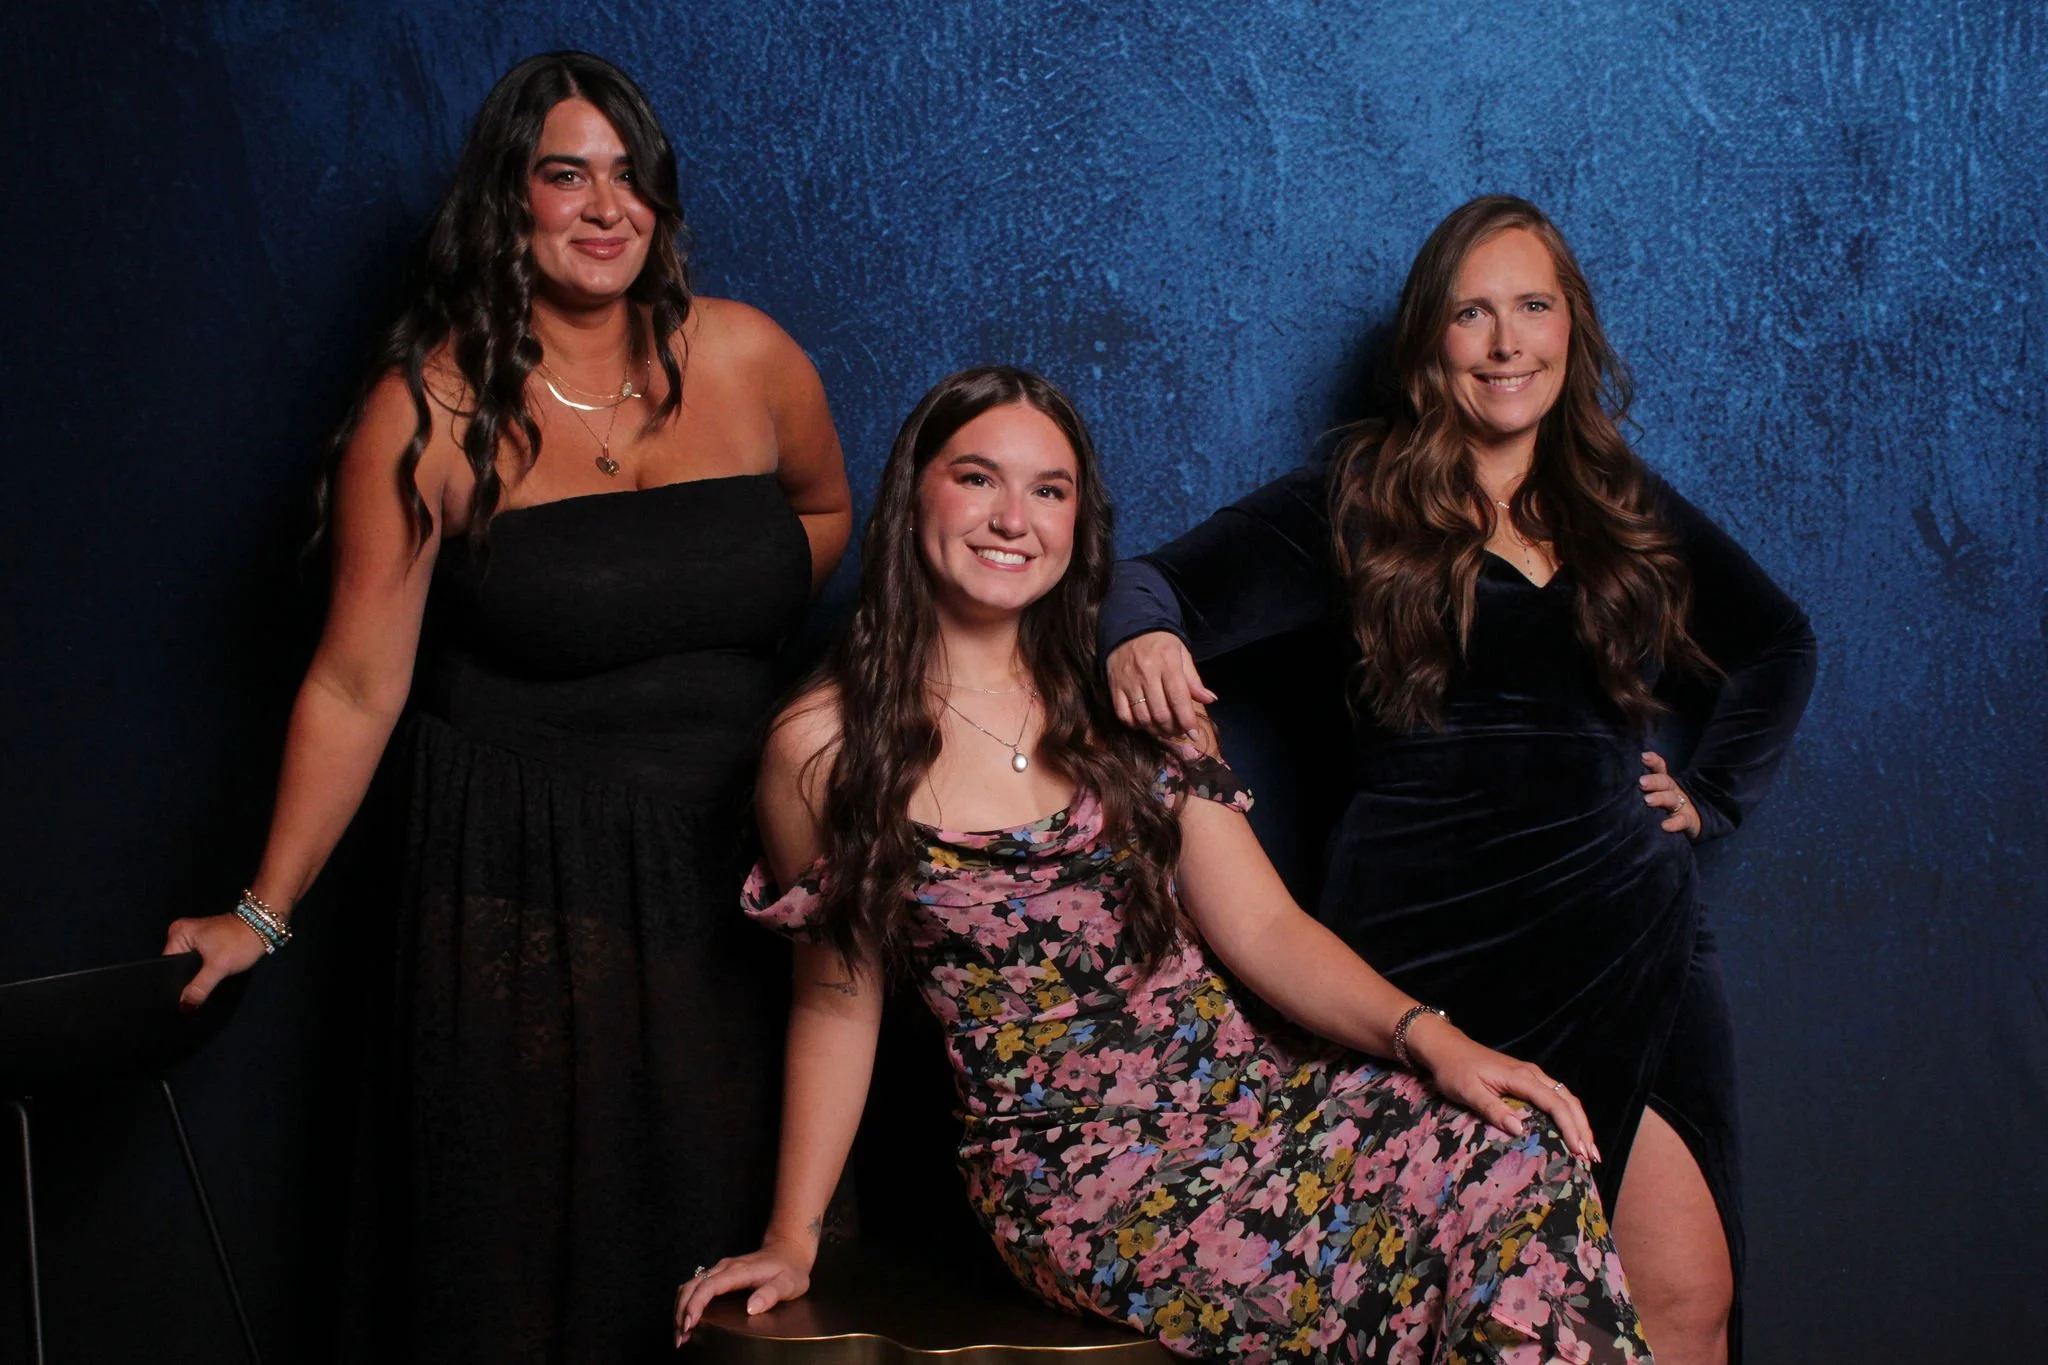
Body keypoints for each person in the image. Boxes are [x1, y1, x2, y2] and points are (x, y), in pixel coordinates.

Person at [675, 366, 1650, 1364]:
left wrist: (1429, 1040)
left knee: (1517, 1151)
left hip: (1259, 1096)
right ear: (914, 492)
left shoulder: (1128, 696)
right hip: (1085, 1179)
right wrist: (791, 1237)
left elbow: (1263, 929)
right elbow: (836, 1000)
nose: (1013, 517)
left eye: (1047, 491)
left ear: (1076, 522)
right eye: (977, 479)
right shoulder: (821, 747)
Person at [160, 51, 851, 1362]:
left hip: (742, 874)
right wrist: (263, 910)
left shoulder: (752, 357)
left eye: (630, 175)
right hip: (529, 881)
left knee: (749, 1256)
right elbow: (357, 682)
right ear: (507, 203)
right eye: (565, 174)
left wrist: (690, 623)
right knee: (546, 1275)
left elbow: (822, 516)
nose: (606, 207)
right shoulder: (428, 411)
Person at [1099, 197, 1816, 1365]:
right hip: (1431, 953)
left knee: (1685, 1300)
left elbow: (1777, 642)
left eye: (1531, 307)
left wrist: (1714, 792)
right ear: (1430, 341)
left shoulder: (1617, 501)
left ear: (1571, 329)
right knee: (1442, 1315)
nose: (1504, 342)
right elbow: (1147, 583)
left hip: (1632, 951)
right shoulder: (1356, 494)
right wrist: (1138, 638)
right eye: (1470, 313)